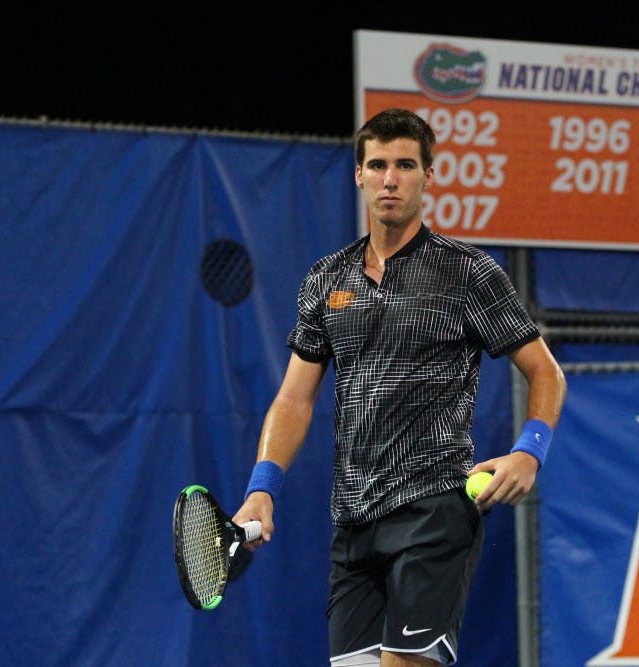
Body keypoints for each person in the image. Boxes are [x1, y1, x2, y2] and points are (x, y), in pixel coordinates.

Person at [233, 108, 566, 666]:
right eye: (379, 164)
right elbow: (293, 398)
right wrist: (262, 488)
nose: (392, 178)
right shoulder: (325, 280)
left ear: (428, 177)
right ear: (358, 175)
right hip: (354, 524)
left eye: (406, 165)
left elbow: (545, 372)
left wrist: (529, 454)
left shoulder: (469, 273)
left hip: (434, 511)